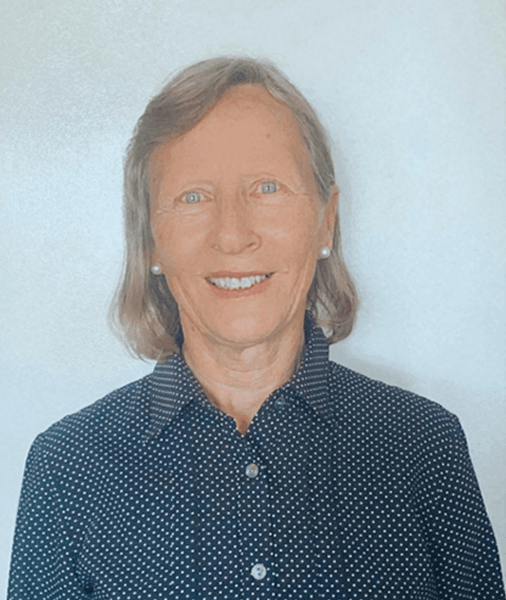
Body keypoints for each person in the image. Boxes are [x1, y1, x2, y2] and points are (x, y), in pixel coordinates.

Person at [8, 56, 505, 599]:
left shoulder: (424, 447)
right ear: (150, 239)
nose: (232, 235)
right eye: (193, 197)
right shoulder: (68, 469)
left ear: (325, 221)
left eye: (267, 187)